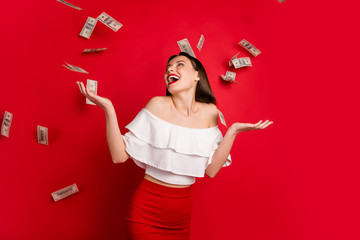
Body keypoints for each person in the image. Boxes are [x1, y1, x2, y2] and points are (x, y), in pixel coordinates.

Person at [76, 52, 273, 240]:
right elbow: (118, 156)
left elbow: (211, 170)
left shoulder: (210, 112)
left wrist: (233, 132)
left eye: (180, 64)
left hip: (180, 216)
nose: (171, 69)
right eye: (168, 67)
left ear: (197, 75)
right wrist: (108, 108)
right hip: (146, 210)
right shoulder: (157, 105)